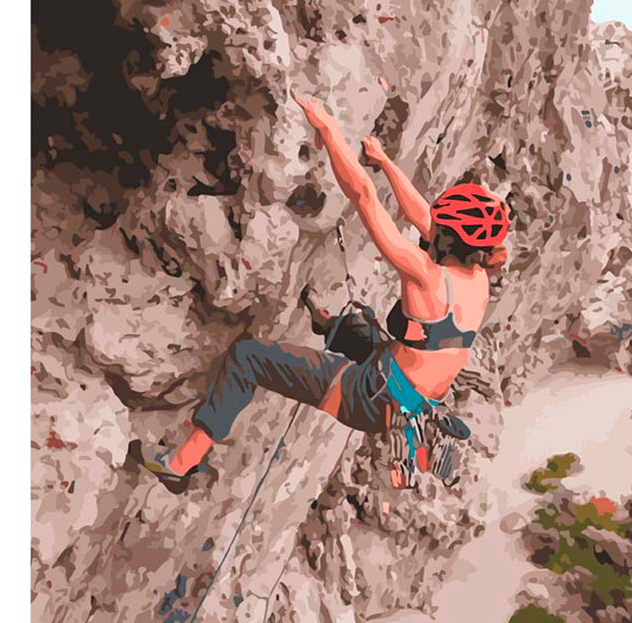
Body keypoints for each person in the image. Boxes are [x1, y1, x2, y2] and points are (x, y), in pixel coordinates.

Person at [140, 96, 510, 493]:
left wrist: (327, 127)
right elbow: (423, 216)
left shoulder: (425, 276)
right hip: (404, 395)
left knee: (247, 356)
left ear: (448, 240)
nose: (430, 225)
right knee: (358, 327)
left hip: (367, 396)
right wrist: (385, 161)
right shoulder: (477, 280)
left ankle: (180, 463)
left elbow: (363, 196)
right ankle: (329, 325)